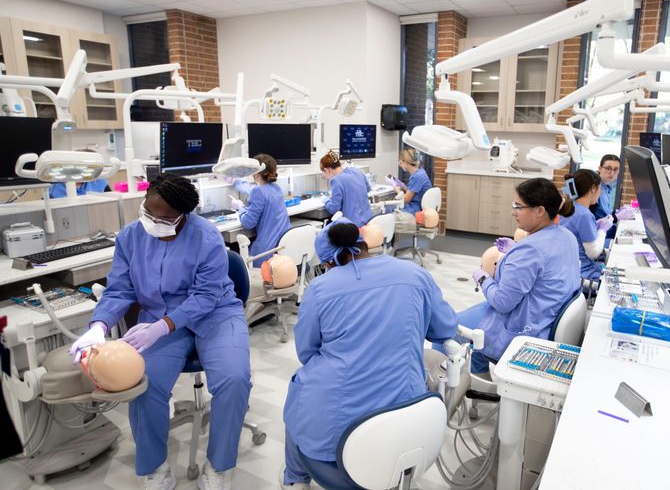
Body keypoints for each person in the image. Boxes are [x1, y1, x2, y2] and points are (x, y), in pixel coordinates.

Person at [68, 173, 251, 490]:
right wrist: (99, 325)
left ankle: (219, 466)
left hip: (216, 313)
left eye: (163, 218)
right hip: (158, 317)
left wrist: (162, 327)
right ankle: (154, 467)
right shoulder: (130, 237)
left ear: (182, 216)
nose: (153, 221)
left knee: (234, 379)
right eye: (148, 211)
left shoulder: (206, 237)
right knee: (143, 382)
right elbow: (119, 289)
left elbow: (206, 296)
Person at [281, 218, 457, 489]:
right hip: (408, 412)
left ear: (329, 262)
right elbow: (444, 328)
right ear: (363, 244)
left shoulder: (320, 289)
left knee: (299, 391)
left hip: (337, 429)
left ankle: (295, 479)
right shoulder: (415, 274)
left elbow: (306, 352)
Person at [436, 178, 580, 373]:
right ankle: (479, 375)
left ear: (540, 210)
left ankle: (449, 383)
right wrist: (515, 250)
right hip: (543, 316)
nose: (513, 212)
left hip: (522, 328)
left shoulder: (529, 250)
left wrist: (482, 277)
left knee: (443, 331)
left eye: (519, 207)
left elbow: (502, 302)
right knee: (471, 328)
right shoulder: (566, 236)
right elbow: (543, 267)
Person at [230, 153, 290, 268]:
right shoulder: (276, 188)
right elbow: (258, 195)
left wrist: (240, 208)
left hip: (267, 253)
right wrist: (236, 182)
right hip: (282, 249)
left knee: (234, 256)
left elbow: (248, 223)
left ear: (256, 173)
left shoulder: (258, 191)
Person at [559, 169, 614, 282]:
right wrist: (602, 230)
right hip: (583, 275)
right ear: (593, 188)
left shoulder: (569, 208)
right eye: (600, 189)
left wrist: (595, 226)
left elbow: (576, 232)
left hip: (567, 270)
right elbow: (593, 253)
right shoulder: (584, 214)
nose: (600, 193)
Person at [320, 150, 372, 226]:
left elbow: (334, 208)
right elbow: (368, 188)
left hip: (352, 226)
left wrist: (326, 200)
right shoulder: (356, 171)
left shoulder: (336, 180)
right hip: (368, 223)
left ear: (326, 170)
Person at [392, 148, 433, 234]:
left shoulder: (416, 177)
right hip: (418, 204)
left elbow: (406, 200)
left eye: (400, 161)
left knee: (389, 212)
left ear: (406, 161)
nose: (400, 164)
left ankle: (388, 241)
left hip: (415, 208)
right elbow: (414, 191)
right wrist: (403, 186)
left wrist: (397, 190)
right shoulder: (420, 172)